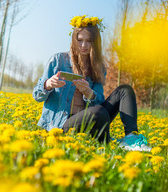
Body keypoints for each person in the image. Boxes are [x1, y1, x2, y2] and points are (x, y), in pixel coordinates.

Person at [32, 15, 151, 151]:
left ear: (95, 43)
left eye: (89, 41)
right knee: (98, 113)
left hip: (89, 118)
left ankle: (131, 139)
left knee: (125, 90)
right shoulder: (58, 60)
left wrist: (89, 93)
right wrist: (48, 85)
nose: (83, 45)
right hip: (62, 125)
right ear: (74, 40)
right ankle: (109, 143)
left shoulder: (98, 67)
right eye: (80, 40)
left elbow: (99, 101)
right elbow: (36, 95)